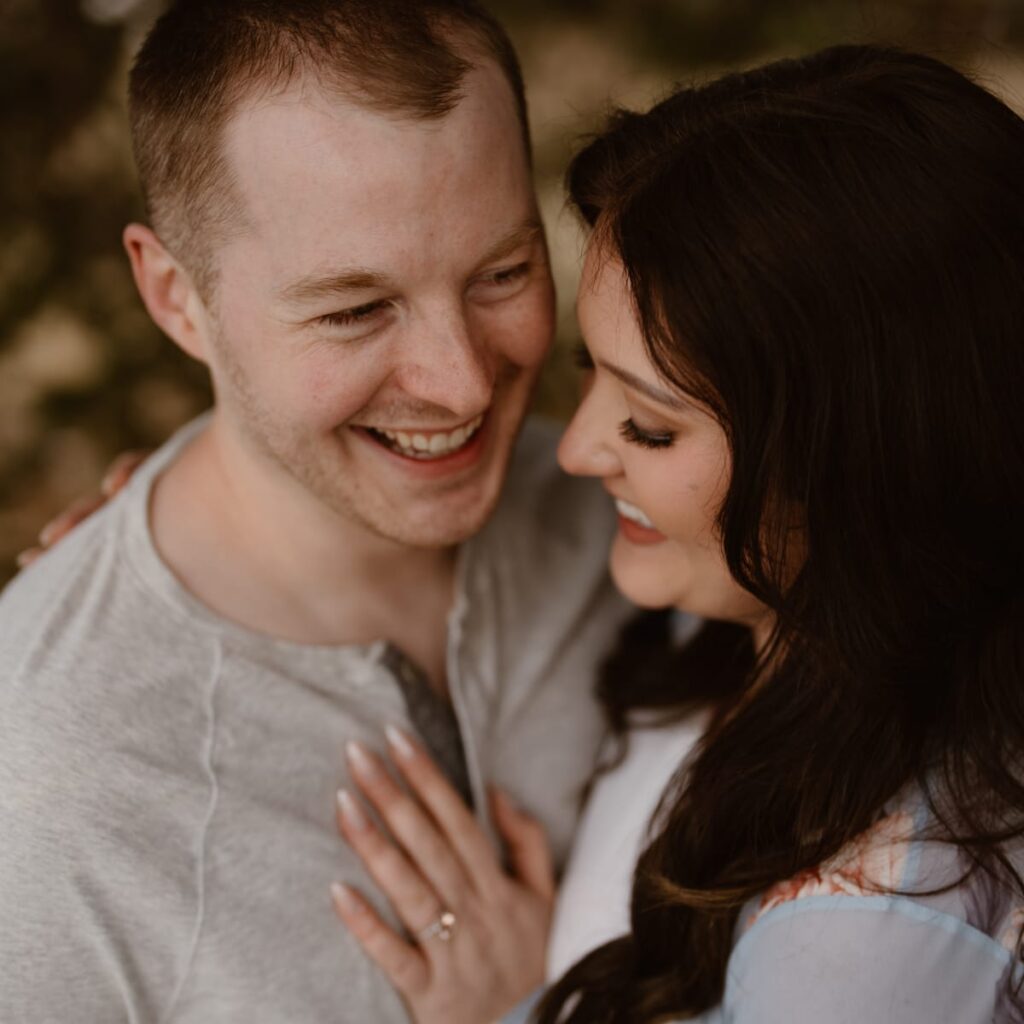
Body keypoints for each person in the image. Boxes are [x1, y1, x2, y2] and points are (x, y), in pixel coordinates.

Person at [327, 45, 1024, 1023]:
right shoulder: (752, 618)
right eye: (589, 371)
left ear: (863, 471)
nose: (573, 451)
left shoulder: (860, 951)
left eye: (649, 425)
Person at [0, 2, 632, 1021]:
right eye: (354, 310)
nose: (463, 383)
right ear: (174, 296)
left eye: (503, 272)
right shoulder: (50, 790)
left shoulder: (644, 536)